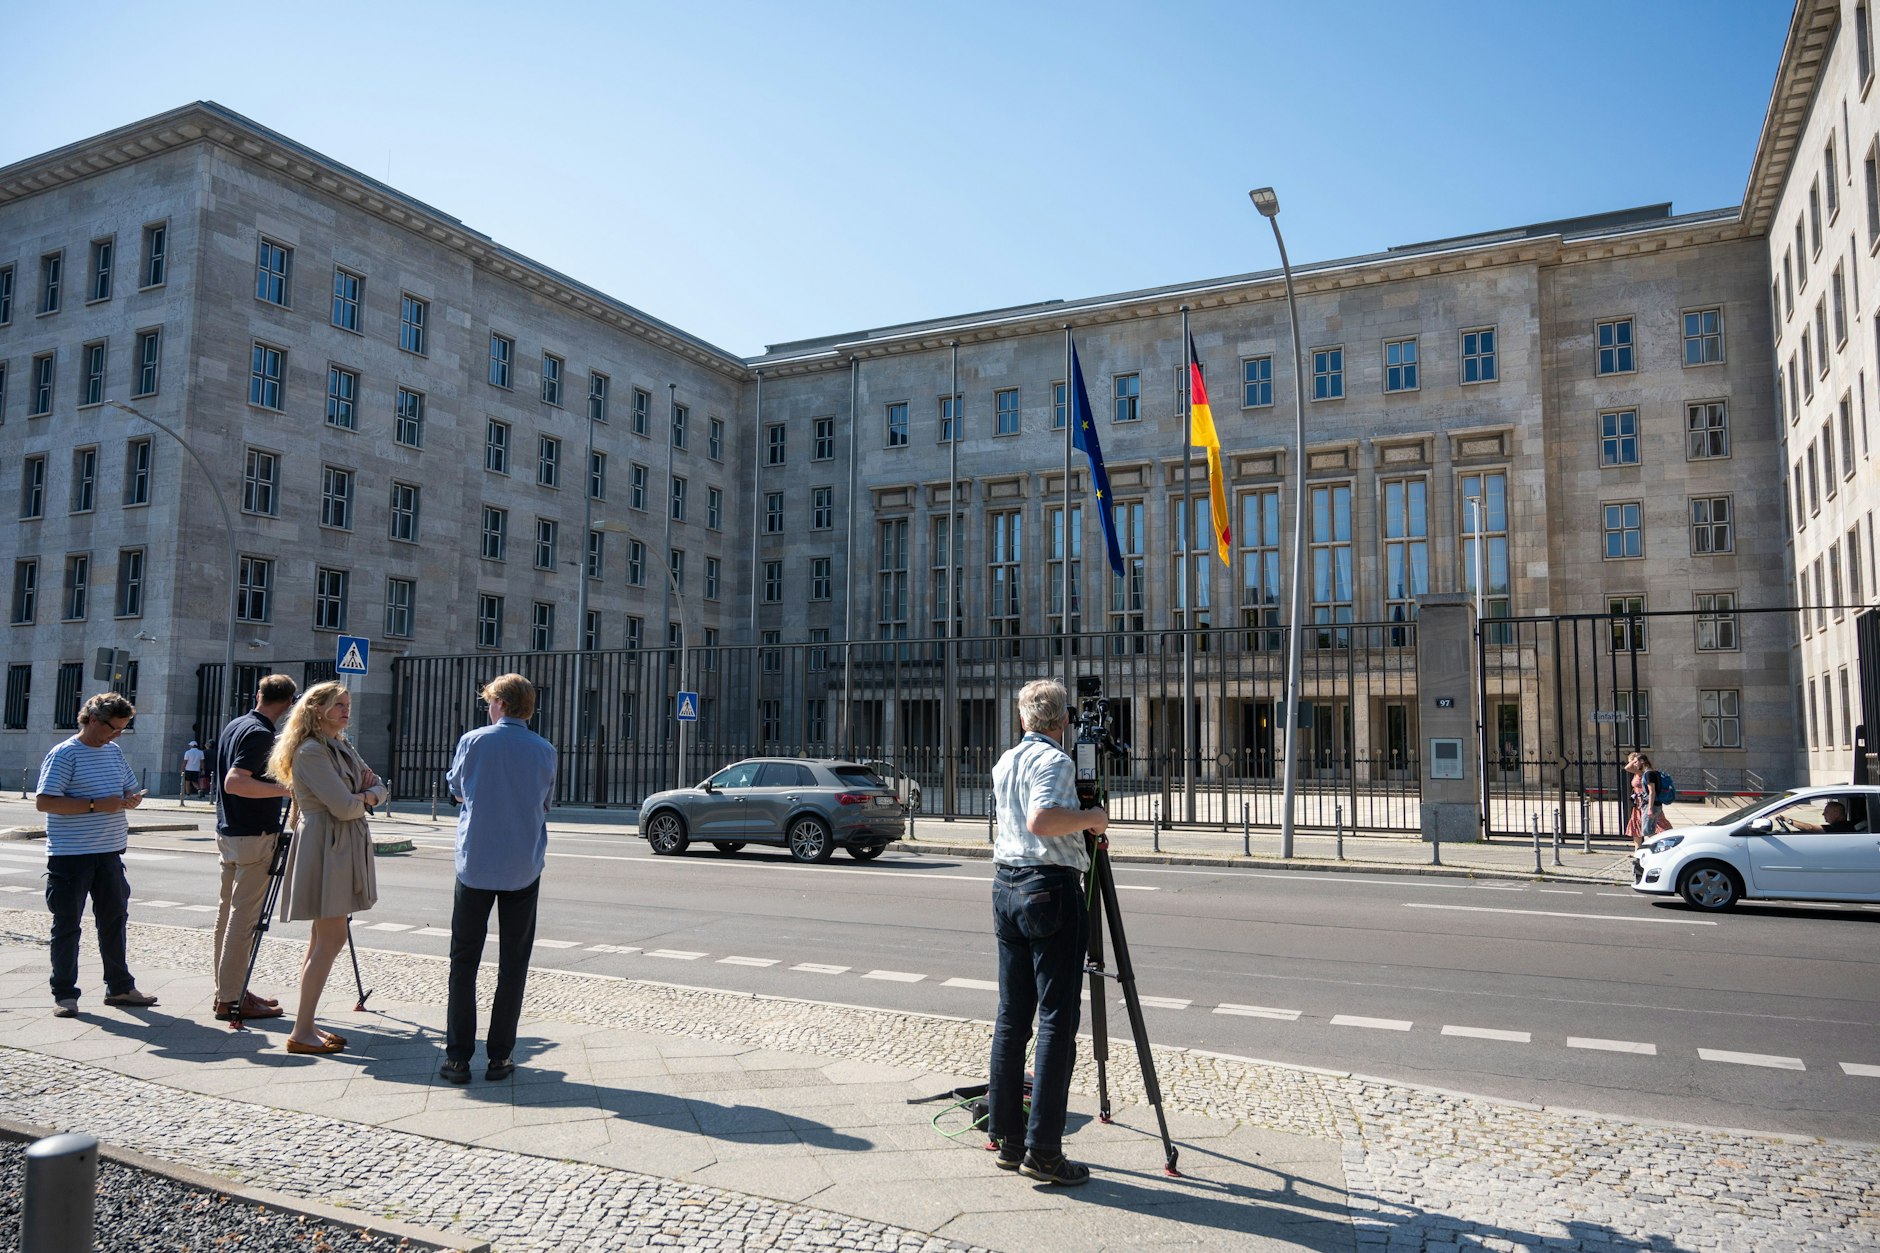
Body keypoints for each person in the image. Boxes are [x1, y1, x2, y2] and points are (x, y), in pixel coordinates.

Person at [986, 678, 1109, 1187]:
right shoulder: (1056, 762)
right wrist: (1092, 818)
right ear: (1063, 723)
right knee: (1057, 1019)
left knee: (1013, 1017)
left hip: (1005, 888)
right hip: (1049, 888)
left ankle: (1008, 1138)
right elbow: (1041, 819)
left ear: (1023, 719)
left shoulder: (1005, 761)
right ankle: (1045, 1151)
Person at [440, 673, 557, 1084]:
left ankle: (457, 1058)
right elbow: (545, 802)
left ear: (501, 705)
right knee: (513, 964)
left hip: (475, 865)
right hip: (523, 867)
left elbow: (456, 788)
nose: (488, 708)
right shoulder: (545, 750)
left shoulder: (474, 741)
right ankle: (500, 1056)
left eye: (490, 702)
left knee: (464, 961)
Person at [267, 682, 388, 1055]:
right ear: (316, 709)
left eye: (347, 705)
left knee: (322, 939)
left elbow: (379, 786)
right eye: (338, 705)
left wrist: (366, 795)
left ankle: (305, 1024)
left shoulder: (341, 744)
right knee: (331, 938)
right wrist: (367, 797)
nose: (345, 711)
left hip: (338, 843)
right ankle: (301, 1031)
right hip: (326, 845)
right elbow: (343, 805)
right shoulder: (311, 751)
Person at [35, 692, 158, 1017]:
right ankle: (64, 993)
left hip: (110, 853)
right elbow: (45, 801)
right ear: (91, 720)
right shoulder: (64, 754)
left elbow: (129, 788)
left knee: (114, 921)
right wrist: (94, 805)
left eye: (122, 729)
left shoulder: (114, 751)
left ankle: (120, 988)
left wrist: (132, 798)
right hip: (71, 855)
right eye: (114, 728)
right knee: (67, 925)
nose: (117, 735)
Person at [209, 674, 298, 1022]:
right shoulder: (260, 734)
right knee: (242, 921)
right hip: (252, 836)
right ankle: (231, 998)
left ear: (259, 694)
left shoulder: (236, 724)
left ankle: (229, 990)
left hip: (229, 833)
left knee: (227, 916)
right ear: (289, 703)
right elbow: (235, 782)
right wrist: (285, 789)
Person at [1625, 752, 1670, 848]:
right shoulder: (1638, 773)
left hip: (1647, 803)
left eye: (1635, 762)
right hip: (1639, 803)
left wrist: (1635, 759)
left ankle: (1661, 847)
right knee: (1638, 827)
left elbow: (1627, 768)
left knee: (1652, 828)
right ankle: (1638, 850)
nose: (1633, 764)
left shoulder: (1644, 773)